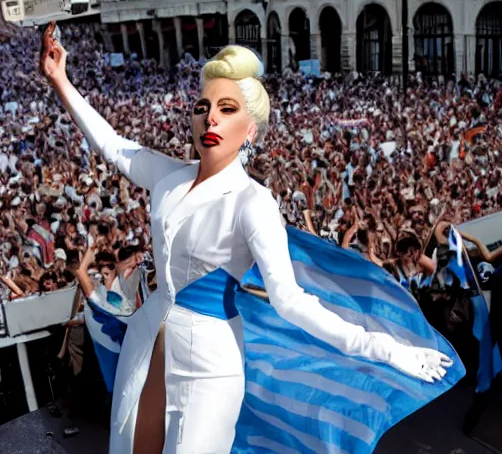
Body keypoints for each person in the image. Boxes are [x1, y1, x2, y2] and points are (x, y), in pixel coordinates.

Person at [42, 39, 453, 454]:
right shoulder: (170, 178)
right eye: (203, 108)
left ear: (250, 128)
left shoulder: (253, 203)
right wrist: (61, 79)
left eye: (227, 109)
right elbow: (113, 146)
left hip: (208, 367)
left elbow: (292, 301)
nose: (211, 120)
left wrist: (384, 348)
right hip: (146, 346)